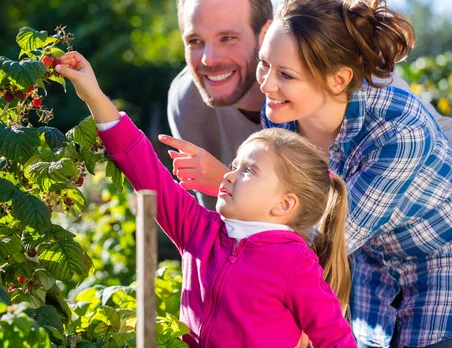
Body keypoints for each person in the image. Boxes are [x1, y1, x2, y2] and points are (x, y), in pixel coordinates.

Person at [171, 0, 452, 347]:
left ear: (338, 79)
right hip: (370, 274)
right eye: (264, 64)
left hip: (438, 269)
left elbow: (322, 237)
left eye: (286, 74)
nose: (267, 85)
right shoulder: (281, 113)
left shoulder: (400, 132)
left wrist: (225, 185)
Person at [54, 51, 356, 347]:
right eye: (235, 165)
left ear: (284, 204)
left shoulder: (294, 262)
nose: (229, 174)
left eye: (248, 170)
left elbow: (336, 338)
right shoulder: (198, 230)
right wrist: (92, 94)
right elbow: (143, 168)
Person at [167, 0, 452, 210]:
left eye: (227, 37)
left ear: (266, 33)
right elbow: (218, 223)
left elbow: (330, 234)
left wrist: (228, 181)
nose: (209, 59)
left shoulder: (369, 91)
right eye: (194, 41)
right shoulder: (189, 100)